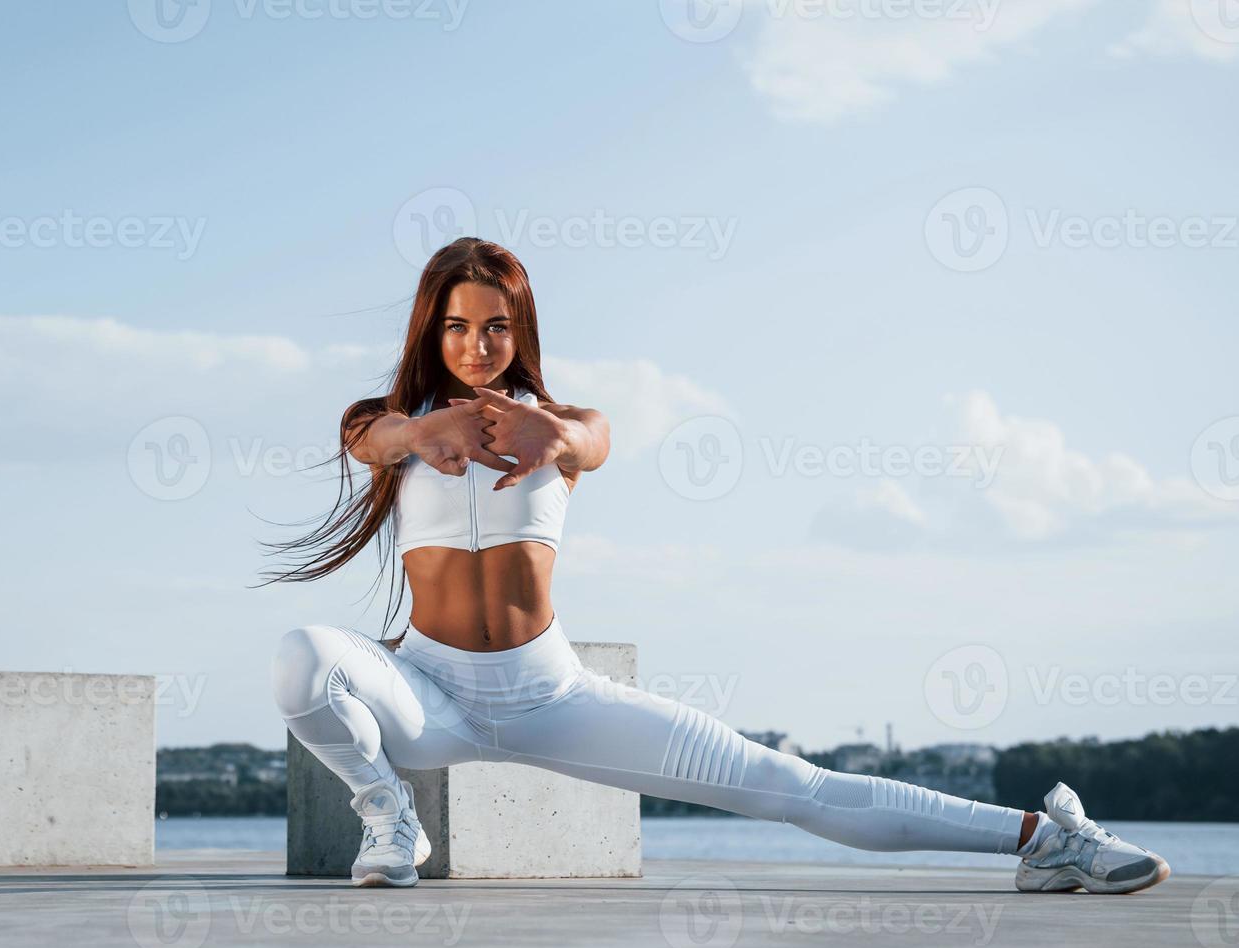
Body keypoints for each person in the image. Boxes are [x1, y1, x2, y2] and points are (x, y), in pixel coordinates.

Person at [260, 237, 1170, 892]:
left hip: (552, 695)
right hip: (433, 696)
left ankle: (1042, 839)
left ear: (520, 329)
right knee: (303, 655)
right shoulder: (388, 428)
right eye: (458, 327)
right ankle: (389, 818)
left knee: (787, 785)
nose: (478, 346)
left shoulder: (563, 428)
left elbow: (594, 438)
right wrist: (426, 428)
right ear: (433, 329)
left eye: (497, 327)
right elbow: (371, 437)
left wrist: (555, 430)